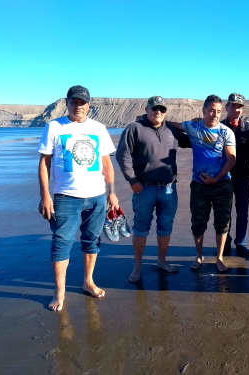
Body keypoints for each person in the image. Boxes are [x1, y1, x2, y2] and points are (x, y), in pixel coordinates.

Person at [38, 85, 119, 311]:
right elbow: (44, 163)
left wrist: (112, 192)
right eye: (74, 102)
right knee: (61, 243)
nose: (78, 106)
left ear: (89, 105)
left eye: (83, 102)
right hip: (66, 197)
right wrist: (45, 195)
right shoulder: (54, 126)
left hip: (97, 196)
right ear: (67, 102)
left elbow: (106, 163)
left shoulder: (99, 128)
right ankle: (60, 293)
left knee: (92, 241)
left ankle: (88, 282)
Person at [116, 96, 191, 282]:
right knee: (141, 228)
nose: (158, 112)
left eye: (162, 109)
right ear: (147, 109)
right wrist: (132, 180)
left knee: (165, 226)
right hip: (144, 189)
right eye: (155, 108)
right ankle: (137, 267)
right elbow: (122, 156)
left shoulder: (171, 129)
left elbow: (191, 142)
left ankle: (162, 261)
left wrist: (190, 125)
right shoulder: (135, 128)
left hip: (169, 189)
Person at [170, 95, 236, 272]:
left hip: (222, 183)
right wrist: (145, 120)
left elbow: (231, 159)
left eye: (218, 111)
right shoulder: (193, 127)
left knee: (222, 223)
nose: (215, 114)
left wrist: (216, 178)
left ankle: (219, 257)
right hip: (199, 185)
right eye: (211, 110)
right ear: (204, 111)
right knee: (198, 223)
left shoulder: (225, 132)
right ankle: (199, 256)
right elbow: (171, 124)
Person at [220, 93, 249, 258]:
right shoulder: (220, 127)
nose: (236, 109)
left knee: (242, 212)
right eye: (233, 105)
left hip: (243, 177)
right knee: (224, 213)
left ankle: (241, 243)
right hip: (224, 178)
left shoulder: (248, 128)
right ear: (227, 107)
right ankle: (225, 242)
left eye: (239, 106)